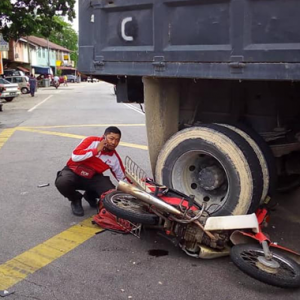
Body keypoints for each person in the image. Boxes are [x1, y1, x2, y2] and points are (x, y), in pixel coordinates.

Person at [55, 126, 127, 216]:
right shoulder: (91, 141)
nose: (113, 142)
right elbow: (75, 156)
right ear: (104, 137)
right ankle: (75, 199)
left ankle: (90, 196)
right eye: (111, 138)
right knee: (62, 182)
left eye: (117, 140)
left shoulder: (114, 158)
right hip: (74, 171)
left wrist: (138, 190)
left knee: (110, 193)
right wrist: (96, 150)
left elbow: (122, 177)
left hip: (92, 177)